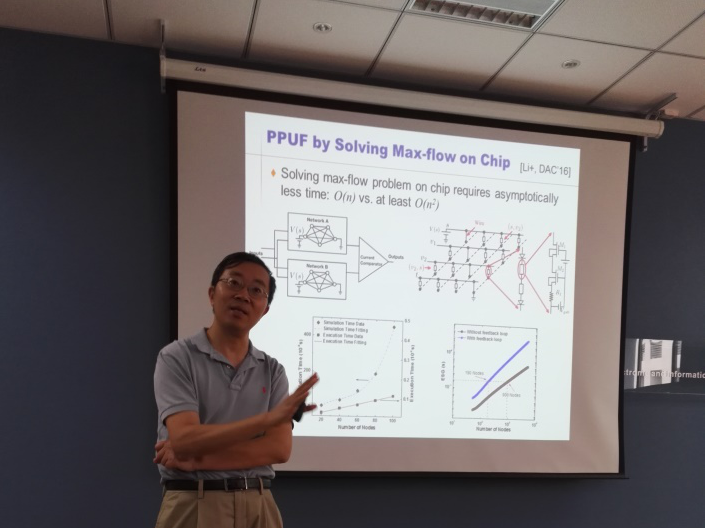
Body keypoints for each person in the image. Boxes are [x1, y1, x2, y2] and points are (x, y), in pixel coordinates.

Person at [152, 251, 318, 528]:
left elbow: (278, 449)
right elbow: (185, 440)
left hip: (259, 503)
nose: (243, 296)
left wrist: (198, 460)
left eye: (256, 290)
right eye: (233, 283)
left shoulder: (273, 370)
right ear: (212, 294)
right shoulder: (177, 357)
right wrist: (266, 421)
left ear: (264, 309)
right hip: (195, 503)